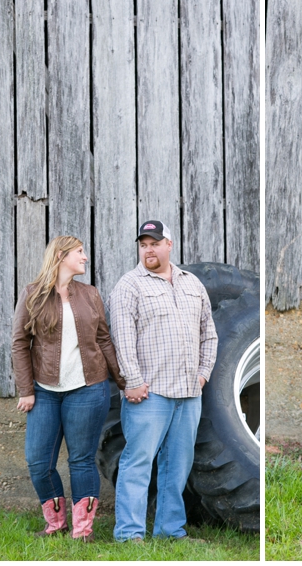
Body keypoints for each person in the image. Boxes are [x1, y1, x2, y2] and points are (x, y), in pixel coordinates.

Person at [107, 220, 218, 542]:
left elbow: (208, 334)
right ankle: (129, 535)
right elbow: (122, 340)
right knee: (137, 462)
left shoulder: (192, 284)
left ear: (169, 244)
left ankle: (170, 531)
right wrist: (133, 381)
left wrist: (202, 375)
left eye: (154, 243)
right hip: (149, 394)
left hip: (188, 393)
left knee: (178, 466)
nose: (148, 249)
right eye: (143, 244)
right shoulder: (129, 285)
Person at [12, 235, 125, 542]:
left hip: (88, 389)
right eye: (79, 252)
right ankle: (55, 524)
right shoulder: (33, 294)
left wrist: (123, 382)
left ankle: (82, 531)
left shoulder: (90, 294)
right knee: (38, 460)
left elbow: (103, 340)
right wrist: (26, 389)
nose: (85, 257)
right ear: (61, 256)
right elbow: (20, 344)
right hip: (44, 391)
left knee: (81, 459)